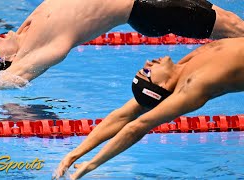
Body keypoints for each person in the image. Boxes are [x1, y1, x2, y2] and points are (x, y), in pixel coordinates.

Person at [53, 37, 244, 179]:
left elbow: (123, 115)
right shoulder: (193, 85)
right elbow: (137, 126)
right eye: (146, 72)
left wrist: (75, 153)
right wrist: (92, 163)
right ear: (162, 86)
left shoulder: (183, 66)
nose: (147, 63)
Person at [0, 0, 244, 90]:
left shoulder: (28, 25)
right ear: (12, 58)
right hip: (150, 8)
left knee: (234, 26)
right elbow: (16, 77)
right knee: (235, 28)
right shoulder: (48, 47)